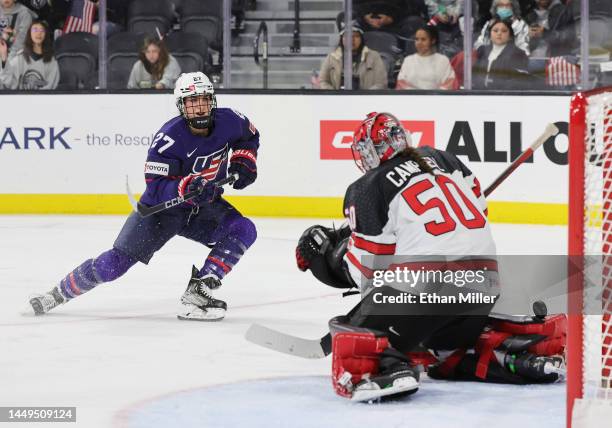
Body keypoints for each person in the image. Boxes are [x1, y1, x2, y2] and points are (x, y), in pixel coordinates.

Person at [295, 112, 564, 401]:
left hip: (426, 289)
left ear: (373, 151)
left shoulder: (367, 187)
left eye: (364, 150)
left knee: (352, 336)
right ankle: (513, 354)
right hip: (485, 286)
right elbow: (479, 211)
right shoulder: (445, 159)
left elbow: (366, 270)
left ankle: (390, 367)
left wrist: (327, 261)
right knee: (444, 346)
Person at [29, 72, 260, 322]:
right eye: (192, 102)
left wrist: (243, 162)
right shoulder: (169, 139)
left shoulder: (231, 120)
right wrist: (188, 186)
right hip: (162, 212)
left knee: (243, 229)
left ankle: (198, 290)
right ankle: (58, 293)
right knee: (112, 266)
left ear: (212, 101)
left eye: (204, 100)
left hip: (201, 209)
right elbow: (155, 187)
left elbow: (249, 138)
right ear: (182, 106)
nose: (200, 108)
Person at [319, 25, 387, 90]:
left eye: (356, 36)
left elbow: (381, 83)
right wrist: (335, 95)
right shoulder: (331, 57)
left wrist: (364, 97)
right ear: (341, 39)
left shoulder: (374, 56)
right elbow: (323, 81)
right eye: (347, 36)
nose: (351, 40)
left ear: (361, 39)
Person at [0, 20, 59, 90]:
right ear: (29, 34)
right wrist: (3, 56)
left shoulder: (52, 62)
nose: (38, 33)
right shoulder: (20, 58)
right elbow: (10, 83)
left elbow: (51, 88)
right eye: (35, 30)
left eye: (42, 30)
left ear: (46, 34)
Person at [473, 18, 530, 90]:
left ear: (510, 36)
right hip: (478, 96)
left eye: (504, 31)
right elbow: (473, 75)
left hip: (505, 97)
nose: (499, 33)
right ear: (490, 34)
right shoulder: (481, 51)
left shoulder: (518, 54)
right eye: (495, 30)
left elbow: (519, 81)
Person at [395, 25, 457, 90]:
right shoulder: (408, 60)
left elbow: (449, 83)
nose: (419, 43)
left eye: (423, 39)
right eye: (416, 39)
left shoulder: (443, 60)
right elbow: (401, 83)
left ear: (433, 40)